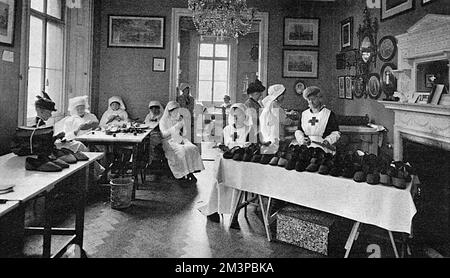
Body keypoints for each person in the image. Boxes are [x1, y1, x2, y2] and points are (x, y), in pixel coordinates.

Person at [198, 103, 254, 222]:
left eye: (239, 115)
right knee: (219, 182)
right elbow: (222, 144)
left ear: (245, 116)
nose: (236, 118)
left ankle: (234, 215)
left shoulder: (249, 129)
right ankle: (214, 209)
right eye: (233, 115)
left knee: (236, 186)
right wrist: (221, 146)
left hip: (240, 163)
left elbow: (250, 147)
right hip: (226, 161)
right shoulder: (227, 129)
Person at [159, 101, 204, 183]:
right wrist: (175, 127)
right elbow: (163, 135)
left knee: (193, 148)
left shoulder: (179, 118)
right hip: (168, 141)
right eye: (173, 111)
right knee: (182, 151)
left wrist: (182, 125)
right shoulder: (163, 121)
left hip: (179, 138)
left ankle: (190, 171)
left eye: (177, 110)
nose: (175, 113)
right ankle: (181, 174)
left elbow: (184, 133)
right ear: (169, 111)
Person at [294, 86, 341, 154]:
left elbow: (336, 132)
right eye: (308, 100)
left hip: (324, 148)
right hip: (307, 147)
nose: (311, 102)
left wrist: (328, 141)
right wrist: (302, 139)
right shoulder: (304, 114)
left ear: (319, 98)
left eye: (313, 99)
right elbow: (299, 130)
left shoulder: (329, 114)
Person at [259, 84, 293, 154]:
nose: (284, 97)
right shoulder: (274, 105)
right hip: (274, 133)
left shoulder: (270, 103)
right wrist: (293, 121)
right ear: (278, 95)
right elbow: (284, 120)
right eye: (282, 94)